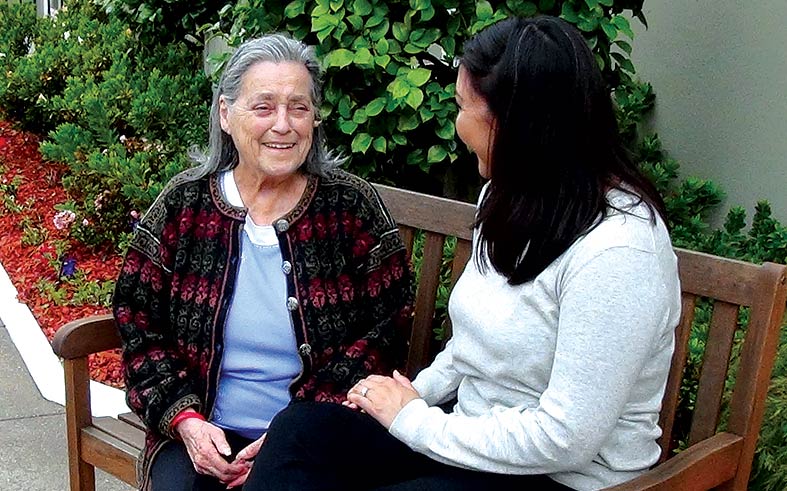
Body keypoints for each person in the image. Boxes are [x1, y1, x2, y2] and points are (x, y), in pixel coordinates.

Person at [242, 15, 681, 491]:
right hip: (469, 442)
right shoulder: (511, 196)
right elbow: (472, 350)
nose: (457, 124)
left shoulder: (617, 251)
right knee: (300, 432)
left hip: (562, 477)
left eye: (463, 107)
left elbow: (566, 437)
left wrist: (415, 421)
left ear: (515, 124)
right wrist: (411, 395)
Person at [112, 33, 414, 491]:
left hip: (317, 433)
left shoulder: (351, 208)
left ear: (314, 119)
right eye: (264, 106)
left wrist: (295, 433)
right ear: (226, 115)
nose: (283, 124)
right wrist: (187, 420)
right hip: (204, 428)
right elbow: (138, 324)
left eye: (299, 107)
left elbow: (387, 328)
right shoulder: (184, 206)